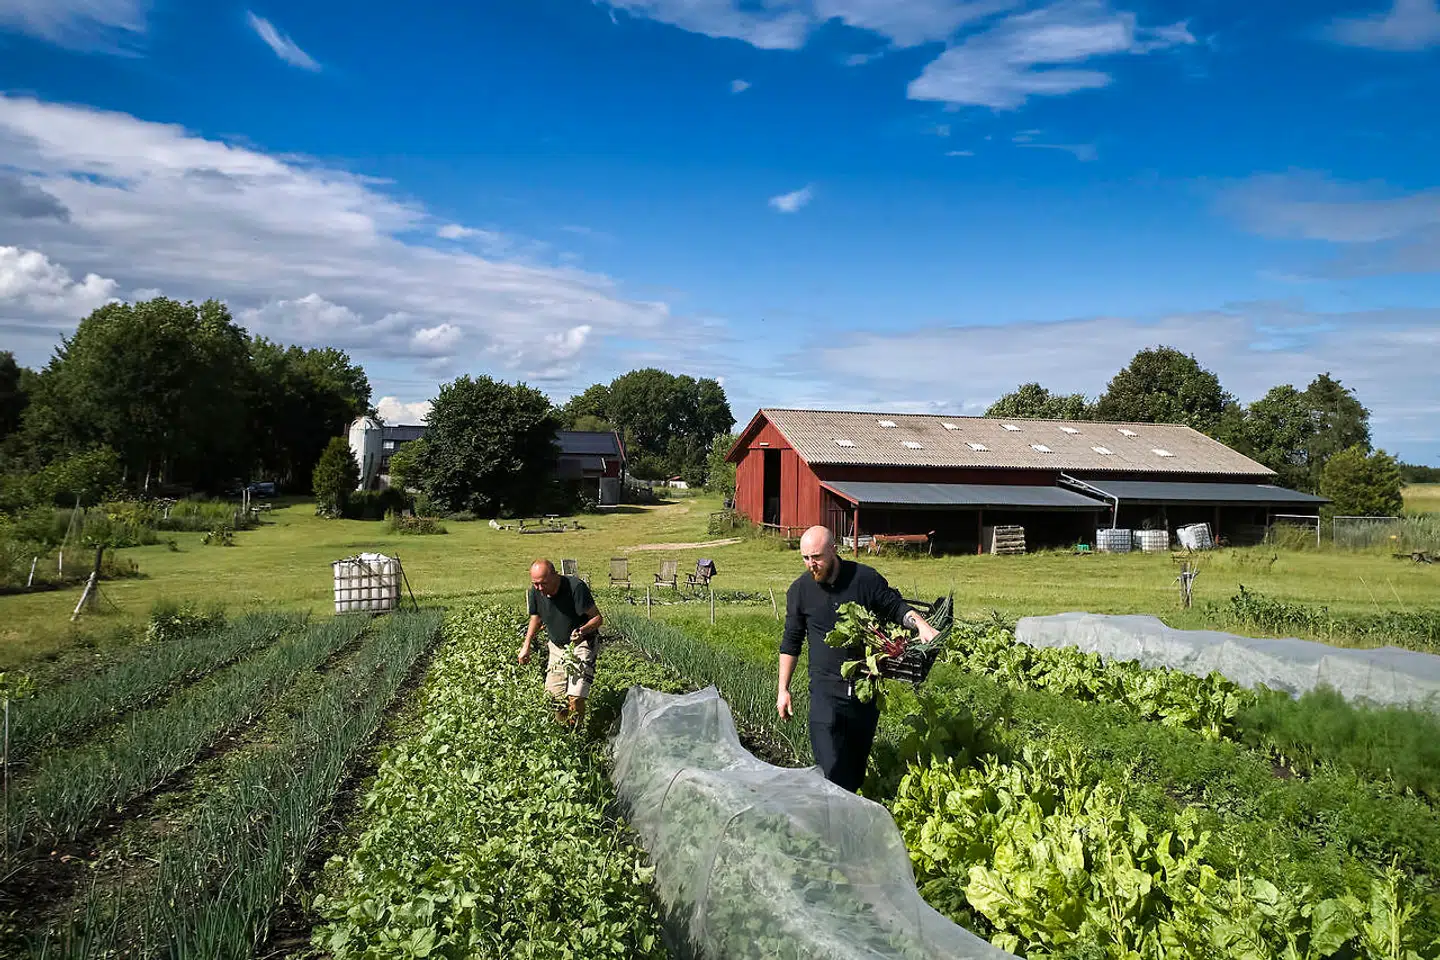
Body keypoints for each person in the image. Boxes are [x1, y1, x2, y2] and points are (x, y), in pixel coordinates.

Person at [777, 525, 938, 792]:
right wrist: (783, 689)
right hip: (825, 691)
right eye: (805, 558)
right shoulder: (800, 591)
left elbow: (895, 607)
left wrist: (920, 624)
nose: (811, 564)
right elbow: (791, 642)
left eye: (816, 557)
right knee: (830, 768)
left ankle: (848, 820)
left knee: (854, 771)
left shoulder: (864, 579)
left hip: (865, 691)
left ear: (833, 550)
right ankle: (831, 824)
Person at [520, 559, 603, 728]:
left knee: (576, 697)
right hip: (557, 647)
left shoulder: (575, 588)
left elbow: (597, 618)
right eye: (535, 584)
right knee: (555, 699)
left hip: (582, 644)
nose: (540, 588)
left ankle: (577, 732)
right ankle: (564, 733)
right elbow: (535, 618)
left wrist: (582, 631)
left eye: (543, 583)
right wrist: (526, 645)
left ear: (555, 575)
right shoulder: (535, 592)